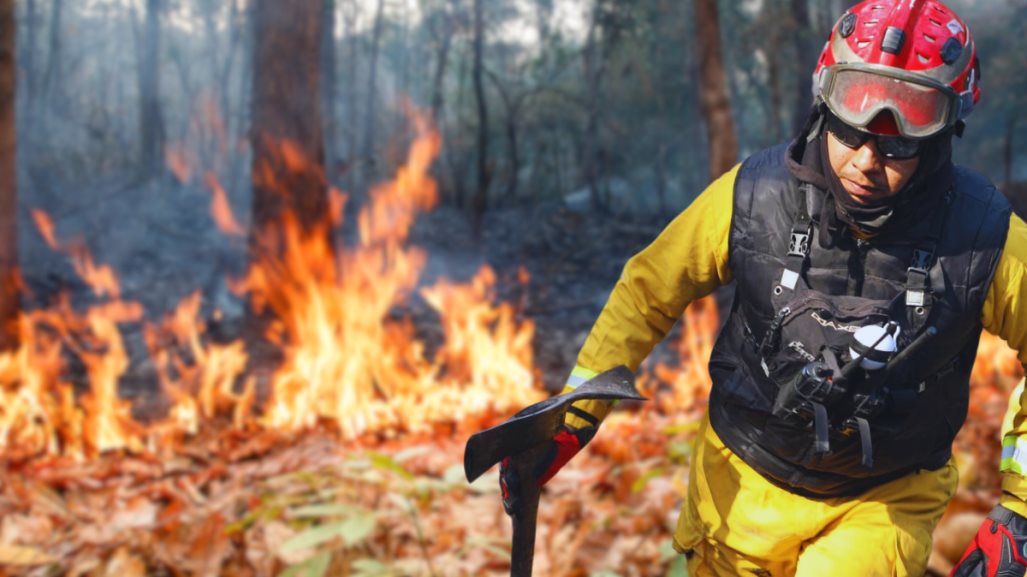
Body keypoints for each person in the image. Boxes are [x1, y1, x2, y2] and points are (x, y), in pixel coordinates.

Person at [498, 1, 1027, 575]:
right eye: (852, 125)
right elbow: (649, 288)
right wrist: (576, 414)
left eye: (903, 137)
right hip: (739, 482)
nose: (868, 159)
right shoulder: (754, 196)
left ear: (945, 131)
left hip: (880, 501)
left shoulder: (985, 238)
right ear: (824, 99)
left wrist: (1020, 514)